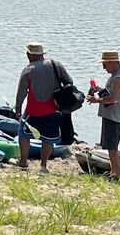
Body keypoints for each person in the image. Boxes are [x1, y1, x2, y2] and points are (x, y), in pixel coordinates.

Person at [13, 41, 74, 170]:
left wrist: (18, 107)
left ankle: (23, 161)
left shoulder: (28, 70)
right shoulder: (56, 65)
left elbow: (21, 92)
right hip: (53, 110)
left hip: (32, 111)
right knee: (49, 138)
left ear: (30, 55)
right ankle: (43, 165)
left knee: (23, 134)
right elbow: (69, 81)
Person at [87, 49, 120, 179]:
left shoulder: (118, 78)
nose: (103, 67)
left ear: (113, 63)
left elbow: (112, 99)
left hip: (115, 117)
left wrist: (96, 100)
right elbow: (111, 93)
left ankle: (117, 174)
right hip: (111, 116)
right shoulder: (115, 77)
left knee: (112, 147)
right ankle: (114, 172)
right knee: (110, 146)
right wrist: (99, 89)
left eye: (105, 64)